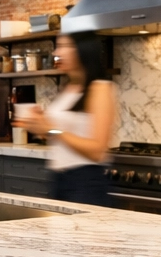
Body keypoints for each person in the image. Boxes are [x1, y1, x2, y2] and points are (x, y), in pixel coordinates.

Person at [16, 31, 117, 206]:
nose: (56, 53)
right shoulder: (69, 88)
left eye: (63, 46)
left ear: (82, 50)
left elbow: (97, 150)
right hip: (58, 180)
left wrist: (51, 129)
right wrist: (39, 126)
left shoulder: (100, 89)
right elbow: (60, 137)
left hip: (85, 183)